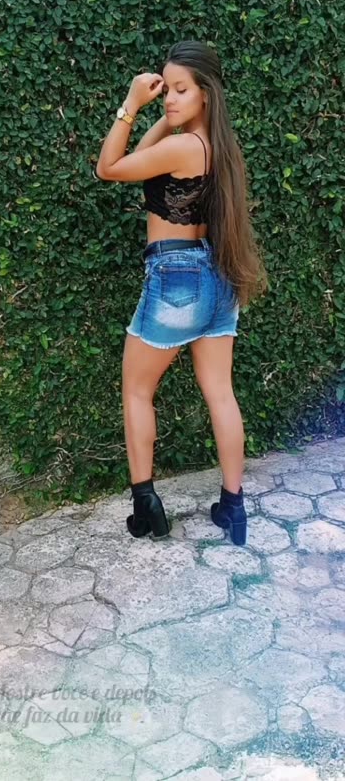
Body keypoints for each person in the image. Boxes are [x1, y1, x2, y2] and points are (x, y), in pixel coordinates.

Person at [96, 40, 268, 546]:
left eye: (180, 90)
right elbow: (147, 156)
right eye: (166, 89)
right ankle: (233, 508)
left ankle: (146, 506)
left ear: (205, 94)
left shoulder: (183, 147)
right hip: (217, 276)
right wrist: (167, 115)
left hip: (175, 276)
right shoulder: (219, 149)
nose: (169, 98)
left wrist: (131, 104)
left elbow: (110, 167)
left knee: (137, 390)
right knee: (220, 392)